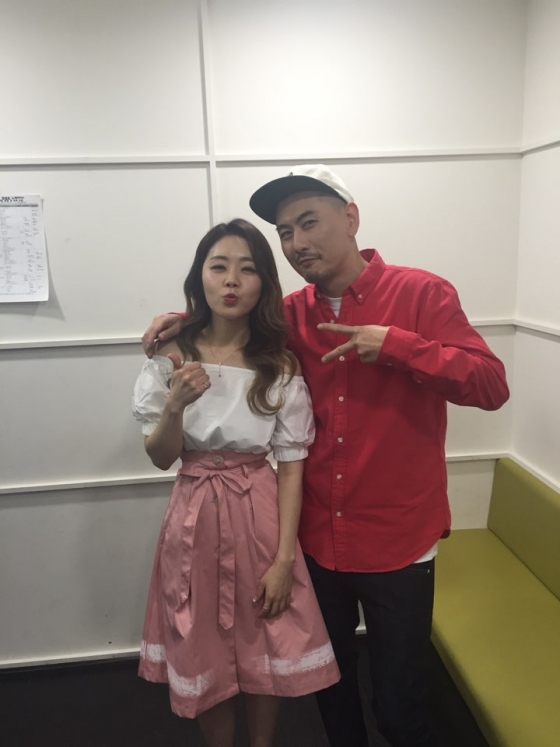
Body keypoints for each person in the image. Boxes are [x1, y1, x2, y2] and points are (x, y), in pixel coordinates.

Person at [142, 166, 510, 747]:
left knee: (401, 705)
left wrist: (398, 345)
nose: (298, 243)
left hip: (398, 537)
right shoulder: (289, 315)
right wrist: (181, 321)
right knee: (328, 689)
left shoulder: (422, 294)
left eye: (309, 222)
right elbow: (230, 326)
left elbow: (491, 386)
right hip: (315, 536)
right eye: (286, 232)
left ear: (351, 217)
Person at [132, 217, 340, 747]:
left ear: (263, 283)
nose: (231, 280)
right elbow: (160, 457)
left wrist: (285, 558)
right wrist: (175, 405)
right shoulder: (171, 356)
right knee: (200, 639)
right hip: (194, 514)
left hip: (259, 513)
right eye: (218, 266)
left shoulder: (279, 364)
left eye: (247, 270)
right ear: (199, 276)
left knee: (265, 636)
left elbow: (291, 464)